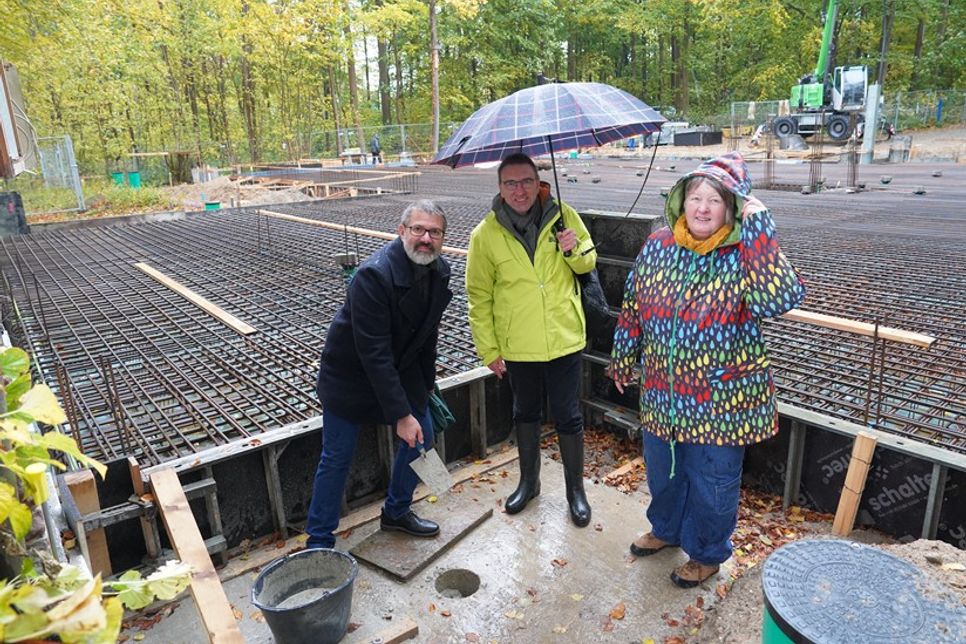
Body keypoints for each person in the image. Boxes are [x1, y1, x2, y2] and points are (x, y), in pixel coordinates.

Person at [609, 152, 805, 588]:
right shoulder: (659, 244)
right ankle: (666, 530)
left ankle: (708, 553)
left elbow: (780, 299)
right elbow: (634, 304)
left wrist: (760, 226)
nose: (702, 208)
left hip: (721, 400)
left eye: (715, 200)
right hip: (662, 391)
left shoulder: (745, 252)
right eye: (695, 197)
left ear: (733, 208)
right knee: (664, 471)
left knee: (713, 484)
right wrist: (624, 356)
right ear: (681, 201)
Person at [305, 199, 452, 549]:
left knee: (423, 437)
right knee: (337, 456)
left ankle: (397, 512)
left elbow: (427, 336)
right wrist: (401, 414)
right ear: (402, 232)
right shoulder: (373, 275)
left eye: (434, 232)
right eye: (418, 229)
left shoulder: (439, 271)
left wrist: (426, 388)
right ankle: (319, 541)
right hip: (351, 378)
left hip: (400, 371)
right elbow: (373, 352)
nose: (426, 239)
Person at [465, 153, 597, 527]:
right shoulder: (485, 235)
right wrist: (489, 349)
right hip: (519, 343)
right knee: (525, 412)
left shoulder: (564, 216)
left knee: (569, 415)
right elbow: (479, 296)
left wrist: (573, 248)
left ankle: (576, 491)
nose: (519, 190)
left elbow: (588, 263)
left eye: (526, 181)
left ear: (539, 182)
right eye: (511, 183)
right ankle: (529, 483)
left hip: (563, 337)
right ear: (500, 188)